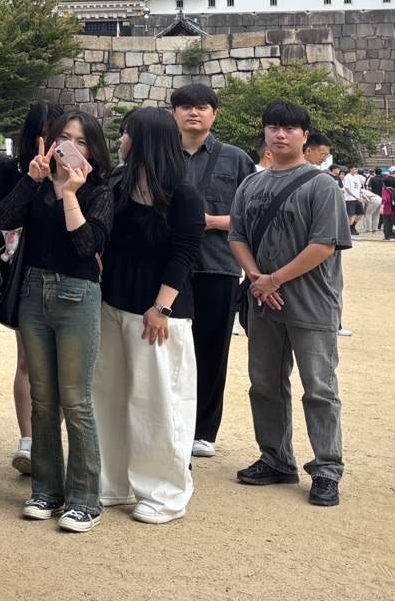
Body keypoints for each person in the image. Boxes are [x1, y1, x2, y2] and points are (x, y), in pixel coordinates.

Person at [0, 109, 113, 531]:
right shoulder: (38, 182)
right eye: (64, 138)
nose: (70, 148)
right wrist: (32, 180)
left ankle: (85, 500)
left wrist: (70, 193)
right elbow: (2, 220)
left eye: (81, 141)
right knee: (43, 400)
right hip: (32, 292)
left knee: (75, 401)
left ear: (93, 150)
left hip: (77, 295)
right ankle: (46, 490)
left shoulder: (99, 191)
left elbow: (85, 246)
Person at [229, 100, 351, 508]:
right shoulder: (250, 185)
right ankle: (276, 458)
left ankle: (327, 469)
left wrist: (273, 279)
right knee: (264, 384)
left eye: (289, 129)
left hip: (311, 302)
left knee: (319, 387)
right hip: (264, 302)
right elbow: (237, 237)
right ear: (264, 133)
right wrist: (256, 278)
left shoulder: (322, 185)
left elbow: (325, 244)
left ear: (304, 136)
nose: (280, 135)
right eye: (273, 127)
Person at [94, 108, 203, 524]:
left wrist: (161, 307)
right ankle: (112, 483)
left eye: (126, 133)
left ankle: (164, 494)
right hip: (112, 303)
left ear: (144, 140)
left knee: (157, 401)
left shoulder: (182, 194)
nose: (120, 140)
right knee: (108, 395)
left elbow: (185, 253)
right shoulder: (119, 182)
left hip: (158, 312)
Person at [170, 83, 256, 460]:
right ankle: (169, 424)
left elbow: (252, 214)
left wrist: (211, 221)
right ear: (174, 113)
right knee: (167, 349)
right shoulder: (160, 153)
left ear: (214, 114)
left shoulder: (235, 159)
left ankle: (203, 430)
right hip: (168, 266)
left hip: (217, 266)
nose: (194, 112)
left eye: (202, 107)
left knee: (211, 349)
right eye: (186, 106)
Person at [0, 100, 65, 475]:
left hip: (67, 273)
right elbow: (3, 217)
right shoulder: (12, 169)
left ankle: (47, 439)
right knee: (27, 360)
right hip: (24, 271)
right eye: (42, 133)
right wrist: (32, 179)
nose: (48, 142)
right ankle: (28, 439)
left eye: (55, 135)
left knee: (63, 365)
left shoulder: (78, 169)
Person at [342, 166, 365, 235]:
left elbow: (359, 187)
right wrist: (355, 196)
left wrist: (360, 196)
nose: (356, 170)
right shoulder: (347, 177)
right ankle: (350, 227)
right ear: (351, 169)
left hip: (357, 197)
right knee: (350, 214)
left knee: (361, 213)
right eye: (355, 169)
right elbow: (347, 189)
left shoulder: (356, 177)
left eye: (357, 169)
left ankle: (353, 226)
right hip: (349, 198)